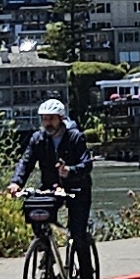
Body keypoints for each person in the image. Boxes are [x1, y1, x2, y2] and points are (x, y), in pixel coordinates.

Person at [12, 97, 95, 229]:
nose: (47, 123)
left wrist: (70, 171)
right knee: (35, 213)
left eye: (51, 119)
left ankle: (80, 243)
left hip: (77, 189)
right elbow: (26, 161)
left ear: (61, 119)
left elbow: (87, 164)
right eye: (45, 119)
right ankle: (44, 245)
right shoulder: (38, 139)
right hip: (51, 188)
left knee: (78, 234)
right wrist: (16, 182)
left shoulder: (75, 137)